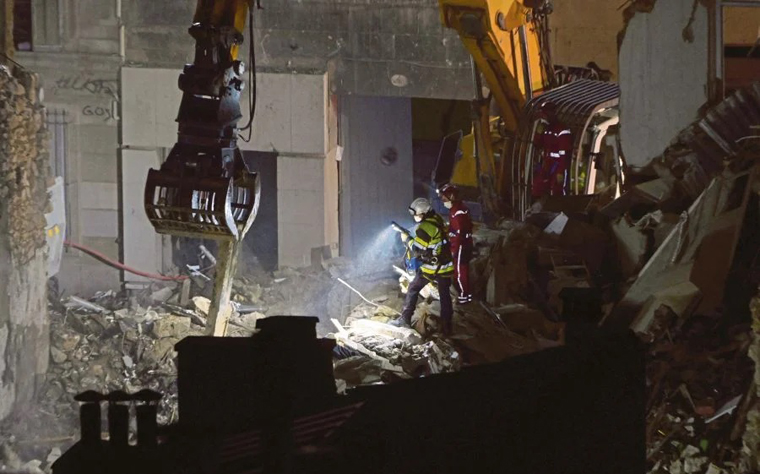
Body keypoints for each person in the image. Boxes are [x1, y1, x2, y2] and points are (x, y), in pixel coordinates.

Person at [390, 198, 454, 335]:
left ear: (423, 213)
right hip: (446, 266)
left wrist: (406, 239)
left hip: (432, 267)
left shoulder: (425, 227)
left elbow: (418, 250)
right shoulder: (437, 219)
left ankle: (405, 319)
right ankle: (447, 328)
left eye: (416, 214)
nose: (415, 217)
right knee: (445, 296)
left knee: (413, 288)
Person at [437, 183, 473, 304]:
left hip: (461, 245)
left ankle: (463, 297)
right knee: (462, 270)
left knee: (459, 272)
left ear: (452, 196)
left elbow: (459, 233)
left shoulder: (457, 211)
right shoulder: (457, 209)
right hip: (464, 243)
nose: (443, 200)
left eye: (444, 197)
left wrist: (453, 250)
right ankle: (466, 296)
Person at [532, 101, 573, 198]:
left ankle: (560, 209)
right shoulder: (546, 129)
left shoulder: (562, 130)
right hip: (547, 164)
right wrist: (538, 132)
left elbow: (565, 154)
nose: (544, 117)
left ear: (552, 113)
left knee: (557, 190)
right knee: (538, 188)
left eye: (545, 114)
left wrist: (560, 171)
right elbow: (537, 145)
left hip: (558, 165)